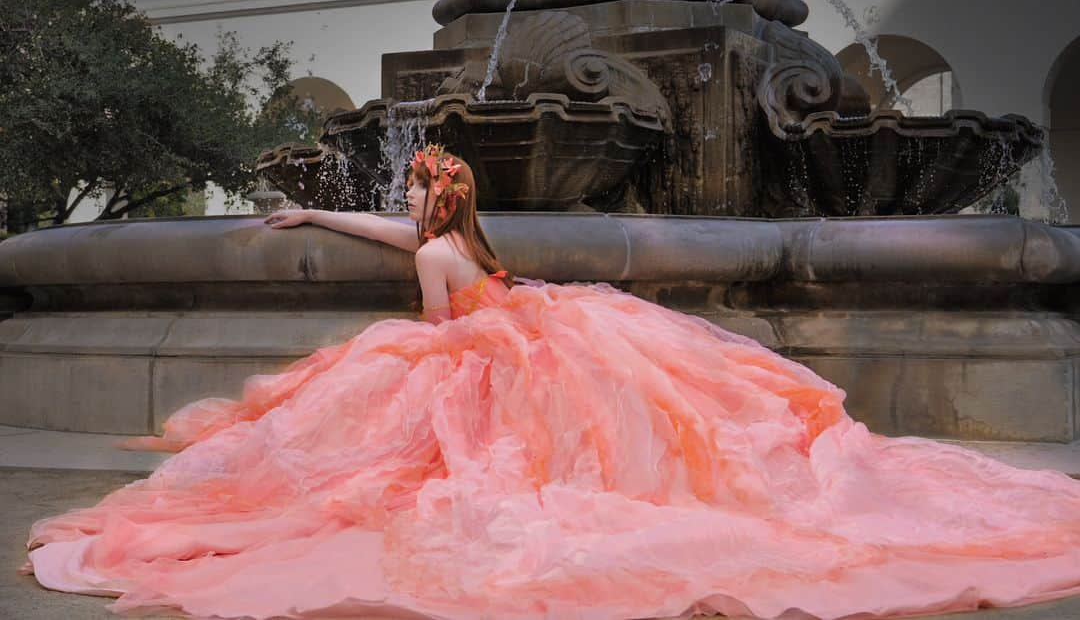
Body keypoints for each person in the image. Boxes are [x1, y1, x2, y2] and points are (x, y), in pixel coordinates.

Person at [21, 144, 1080, 620]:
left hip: (491, 345)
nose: (405, 202)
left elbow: (438, 331)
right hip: (549, 318)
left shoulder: (437, 261)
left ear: (427, 199)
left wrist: (395, 364)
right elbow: (407, 238)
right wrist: (319, 217)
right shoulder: (468, 242)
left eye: (410, 189)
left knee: (432, 460)